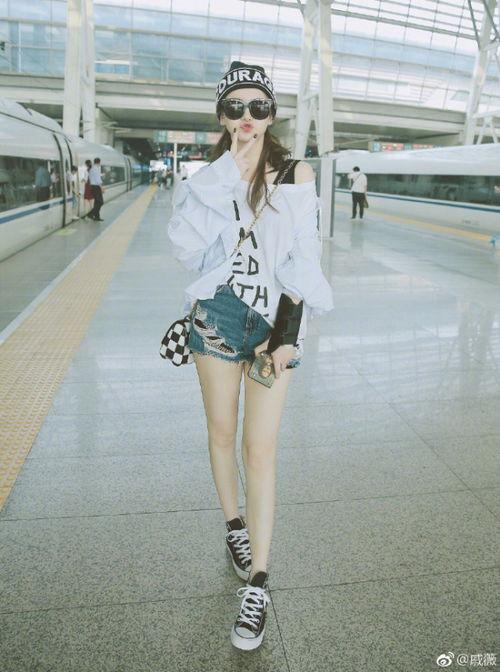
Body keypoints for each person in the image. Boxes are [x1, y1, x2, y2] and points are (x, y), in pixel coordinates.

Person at [167, 60, 334, 651]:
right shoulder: (205, 177)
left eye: (257, 107)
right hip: (215, 318)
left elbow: (305, 258)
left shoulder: (295, 173)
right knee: (221, 432)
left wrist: (288, 333)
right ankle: (233, 525)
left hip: (271, 326)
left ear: (270, 115)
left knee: (259, 450)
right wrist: (223, 179)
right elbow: (186, 250)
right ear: (221, 116)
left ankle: (258, 582)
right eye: (235, 107)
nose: (246, 118)